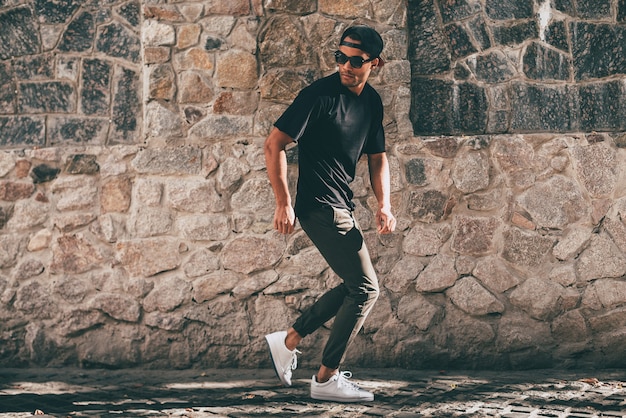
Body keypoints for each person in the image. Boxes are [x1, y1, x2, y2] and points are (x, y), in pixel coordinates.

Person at [263, 25, 396, 403]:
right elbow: (275, 143)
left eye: (356, 61)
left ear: (375, 63)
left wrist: (384, 203)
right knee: (366, 288)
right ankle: (326, 378)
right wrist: (283, 201)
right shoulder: (318, 95)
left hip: (342, 204)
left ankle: (288, 341)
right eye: (340, 57)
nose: (346, 66)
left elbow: (377, 156)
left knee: (354, 286)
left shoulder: (371, 102)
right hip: (320, 205)